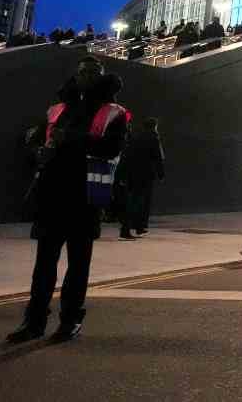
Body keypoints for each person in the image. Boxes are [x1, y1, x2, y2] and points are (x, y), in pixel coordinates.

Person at [8, 58, 129, 343]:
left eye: (92, 73)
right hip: (52, 193)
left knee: (78, 264)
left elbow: (113, 148)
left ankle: (71, 319)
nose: (85, 76)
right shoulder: (57, 109)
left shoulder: (114, 113)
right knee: (43, 264)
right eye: (81, 72)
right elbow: (38, 140)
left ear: (102, 77)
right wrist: (37, 152)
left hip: (86, 197)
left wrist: (72, 138)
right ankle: (34, 321)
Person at [120, 118, 165, 239]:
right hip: (145, 175)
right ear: (154, 127)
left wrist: (123, 174)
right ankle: (129, 229)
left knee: (132, 200)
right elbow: (158, 158)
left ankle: (136, 227)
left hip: (131, 174)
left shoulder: (135, 137)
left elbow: (126, 155)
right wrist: (161, 175)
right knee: (140, 202)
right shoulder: (154, 138)